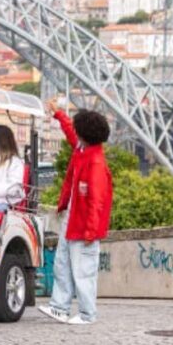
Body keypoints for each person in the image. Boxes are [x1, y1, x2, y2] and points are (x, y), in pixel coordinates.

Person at [38, 100, 112, 325]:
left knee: (83, 270)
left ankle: (87, 315)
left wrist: (90, 232)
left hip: (84, 225)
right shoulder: (83, 150)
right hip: (72, 218)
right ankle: (59, 307)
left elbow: (97, 202)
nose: (75, 132)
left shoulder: (96, 162)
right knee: (62, 263)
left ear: (85, 134)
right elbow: (70, 131)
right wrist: (58, 115)